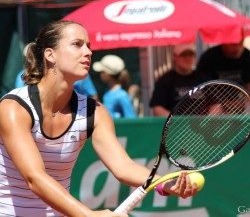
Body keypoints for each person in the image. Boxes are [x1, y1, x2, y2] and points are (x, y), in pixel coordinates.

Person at [0, 21, 198, 217]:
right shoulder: (14, 108)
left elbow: (123, 167)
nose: (88, 52)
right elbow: (34, 177)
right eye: (77, 44)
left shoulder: (95, 112)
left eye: (88, 46)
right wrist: (88, 215)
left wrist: (164, 183)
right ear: (50, 55)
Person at [15, 44, 98, 99]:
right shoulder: (21, 76)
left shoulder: (77, 72)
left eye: (37, 56)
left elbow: (93, 96)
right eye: (31, 57)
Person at [150, 43, 209, 116]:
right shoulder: (164, 81)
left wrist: (207, 119)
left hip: (202, 125)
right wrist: (175, 121)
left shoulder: (204, 79)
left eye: (190, 54)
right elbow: (157, 108)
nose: (187, 58)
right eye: (183, 55)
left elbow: (216, 103)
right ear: (175, 56)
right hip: (174, 126)